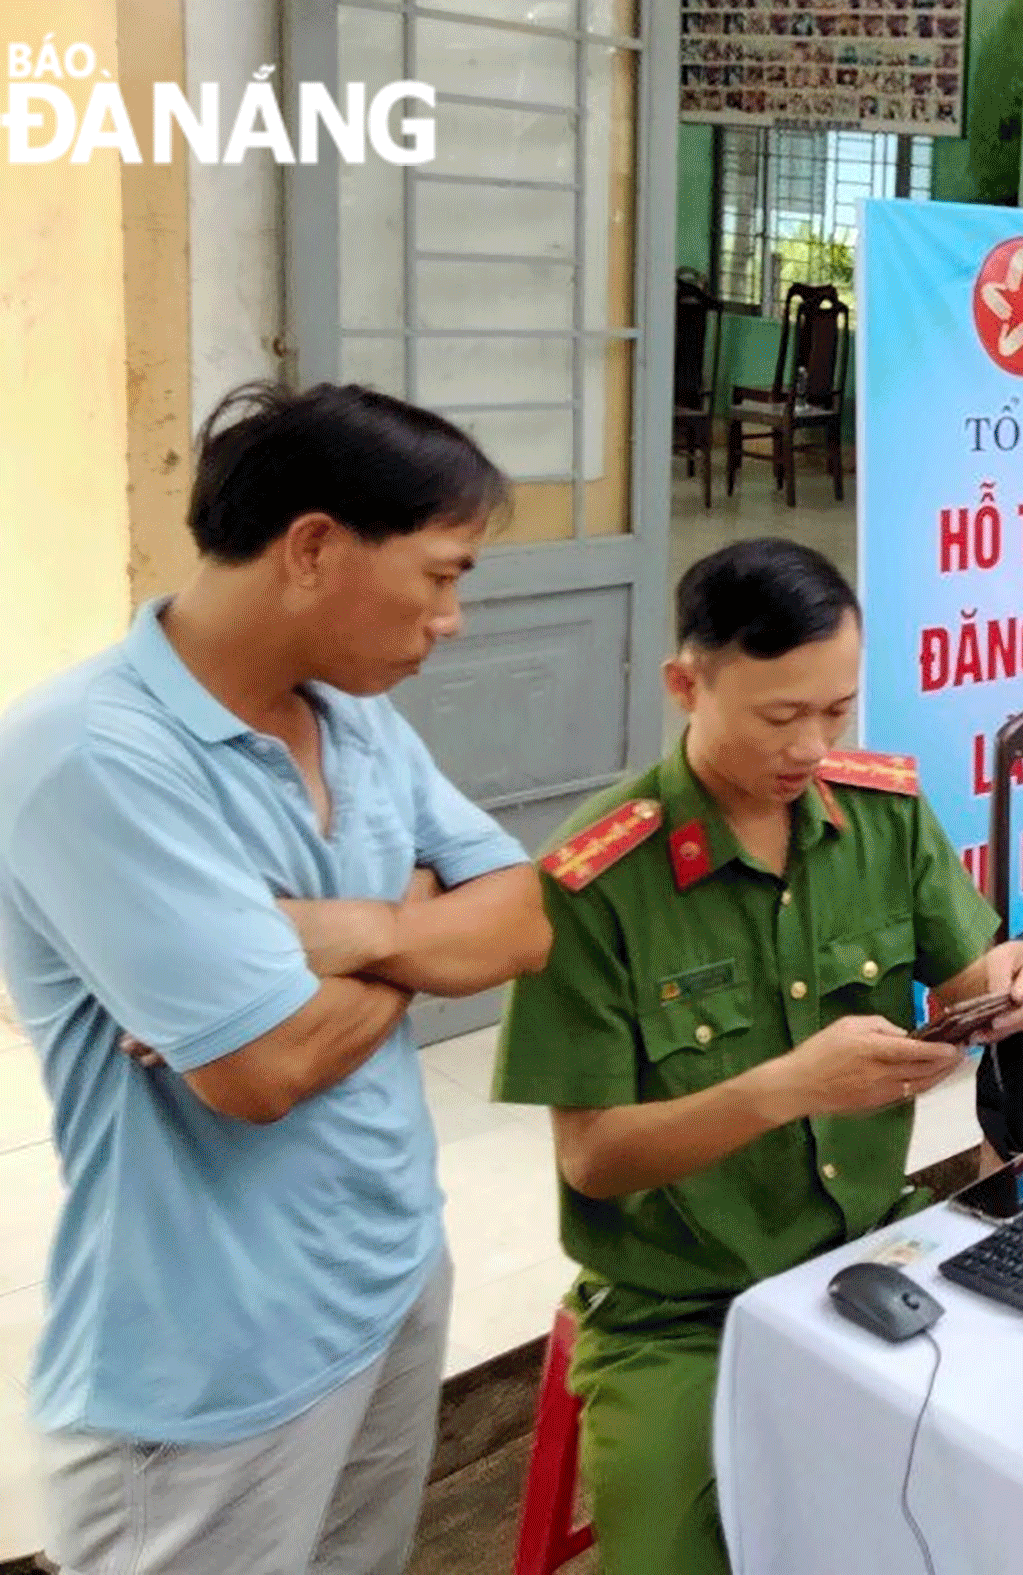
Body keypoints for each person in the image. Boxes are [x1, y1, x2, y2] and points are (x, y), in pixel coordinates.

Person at [0, 383, 551, 1575]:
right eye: (442, 574)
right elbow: (262, 1069)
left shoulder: (354, 720)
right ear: (313, 548)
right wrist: (413, 913)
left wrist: (339, 933)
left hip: (389, 1273)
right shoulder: (90, 755)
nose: (451, 619)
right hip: (213, 1362)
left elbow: (521, 919)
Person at [493, 539, 1023, 1575]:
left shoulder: (880, 814)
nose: (810, 744)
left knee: (1010, 1468)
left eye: (835, 710)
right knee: (676, 1553)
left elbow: (969, 971)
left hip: (869, 1247)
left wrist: (1012, 983)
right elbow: (594, 1160)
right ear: (686, 684)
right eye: (777, 715)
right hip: (677, 1305)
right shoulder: (595, 879)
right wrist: (780, 1091)